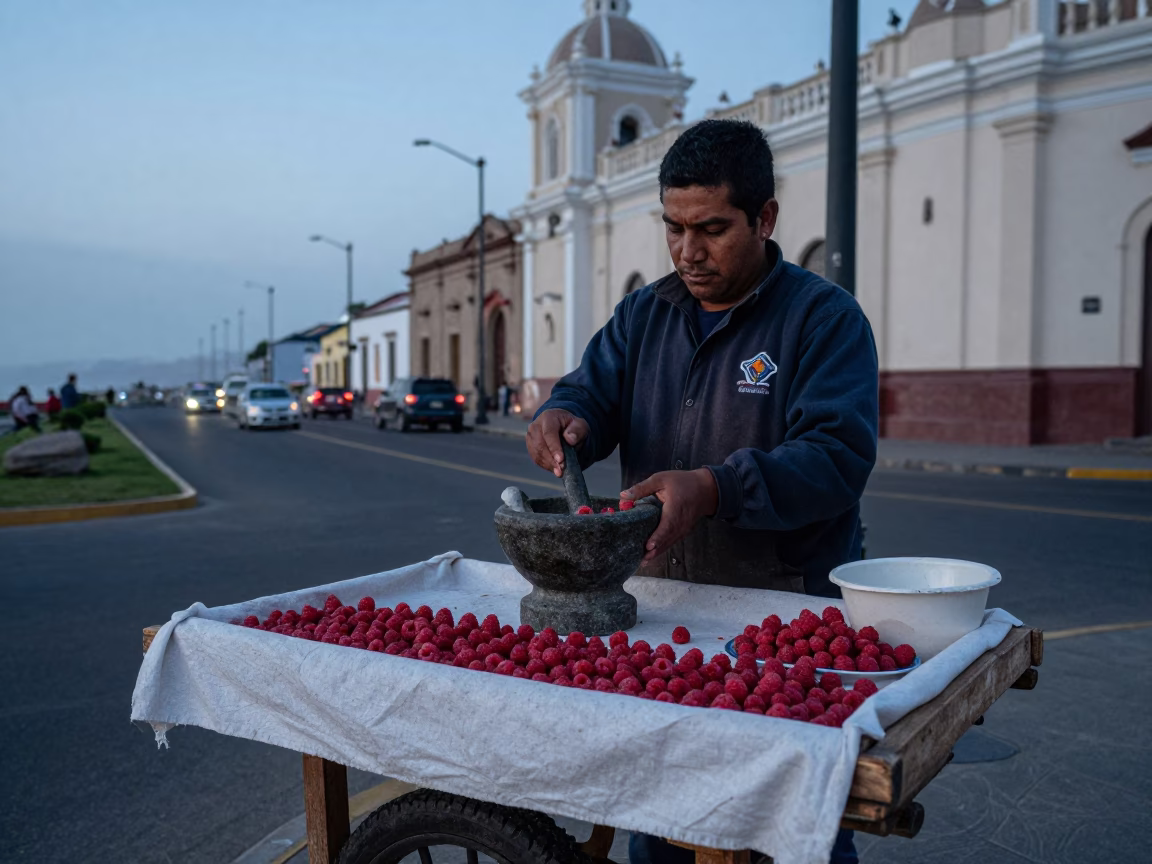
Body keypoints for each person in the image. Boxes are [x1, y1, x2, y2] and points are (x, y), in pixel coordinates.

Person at [525, 120, 877, 864]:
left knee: (790, 835)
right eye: (674, 228)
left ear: (766, 218)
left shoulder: (823, 319)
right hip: (663, 624)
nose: (689, 251)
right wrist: (566, 415)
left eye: (713, 229)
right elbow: (591, 391)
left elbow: (836, 458)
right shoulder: (643, 315)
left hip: (783, 633)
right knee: (661, 825)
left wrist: (715, 487)